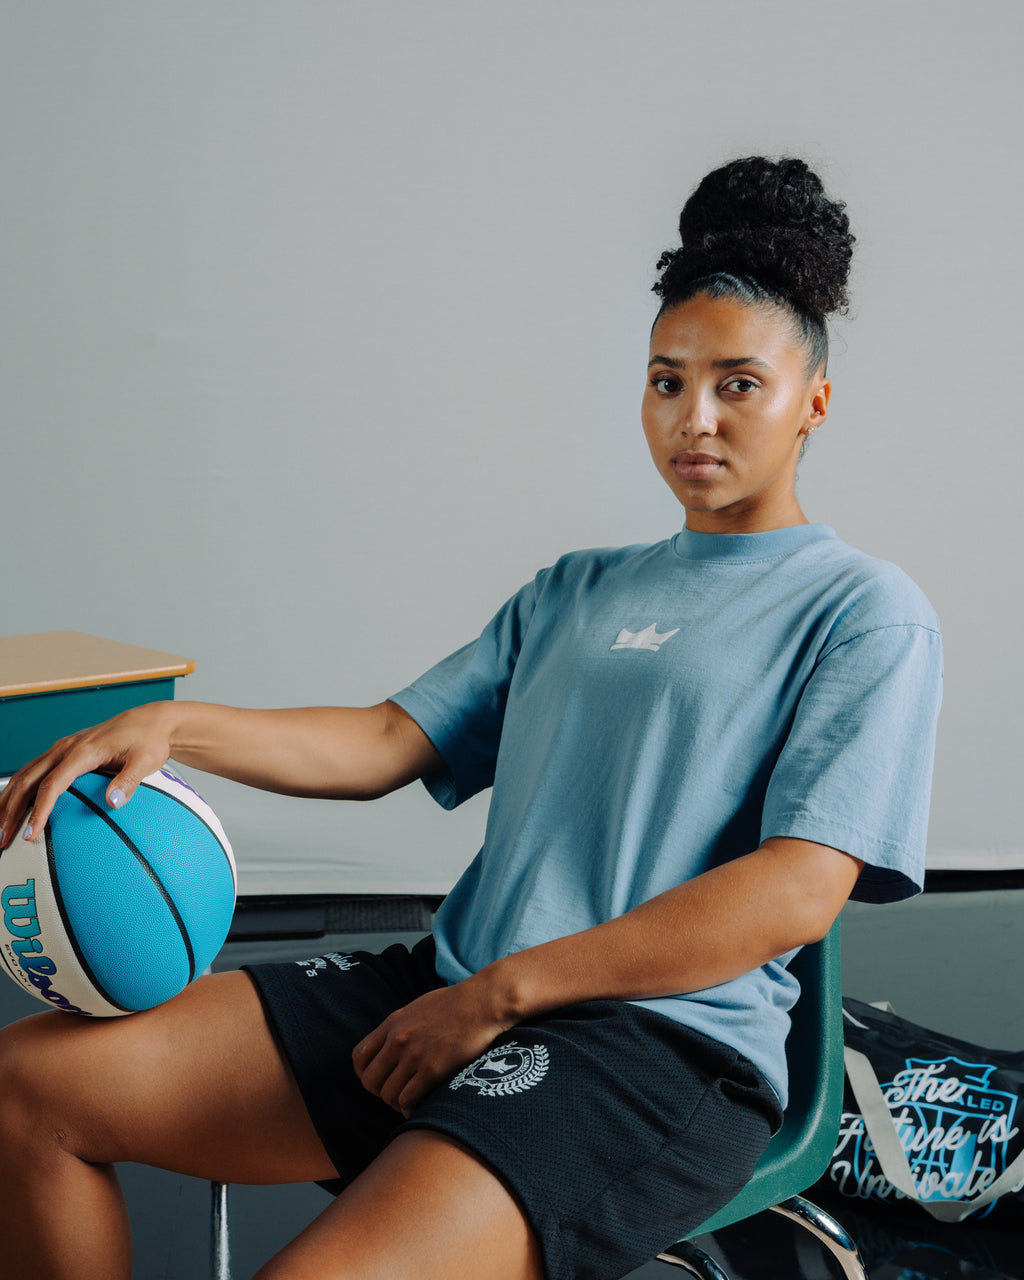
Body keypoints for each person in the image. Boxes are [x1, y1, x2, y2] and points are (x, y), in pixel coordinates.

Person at [0, 156, 942, 1280]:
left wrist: (503, 994)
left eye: (738, 383)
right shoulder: (577, 589)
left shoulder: (863, 609)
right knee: (27, 1090)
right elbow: (386, 741)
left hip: (651, 1048)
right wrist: (178, 727)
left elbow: (795, 887)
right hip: (453, 984)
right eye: (665, 379)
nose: (694, 418)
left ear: (813, 402)